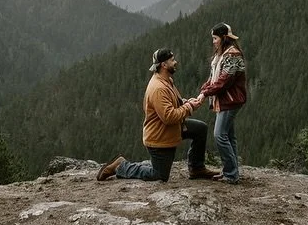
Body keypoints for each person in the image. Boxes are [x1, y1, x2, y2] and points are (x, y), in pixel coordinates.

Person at [97, 47, 220, 182]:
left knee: (200, 129)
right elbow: (169, 117)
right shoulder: (159, 88)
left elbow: (171, 104)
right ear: (163, 64)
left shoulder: (166, 80)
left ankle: (196, 168)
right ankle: (121, 166)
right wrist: (190, 107)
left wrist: (185, 102)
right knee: (159, 175)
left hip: (171, 129)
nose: (176, 62)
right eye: (172, 60)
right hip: (159, 137)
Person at [196, 22, 247, 184]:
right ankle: (231, 171)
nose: (213, 41)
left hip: (230, 100)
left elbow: (224, 81)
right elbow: (213, 78)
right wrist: (204, 90)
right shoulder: (222, 55)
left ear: (224, 38)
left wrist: (204, 93)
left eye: (215, 38)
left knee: (220, 135)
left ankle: (231, 174)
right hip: (226, 100)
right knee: (229, 136)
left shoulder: (232, 55)